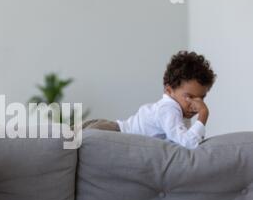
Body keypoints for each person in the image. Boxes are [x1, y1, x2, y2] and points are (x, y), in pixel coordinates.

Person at [82, 51, 216, 149]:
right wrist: (203, 115)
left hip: (111, 127)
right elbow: (188, 143)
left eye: (201, 98)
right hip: (111, 133)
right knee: (66, 142)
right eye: (190, 97)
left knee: (66, 135)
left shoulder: (181, 110)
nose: (197, 105)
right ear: (169, 90)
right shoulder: (169, 110)